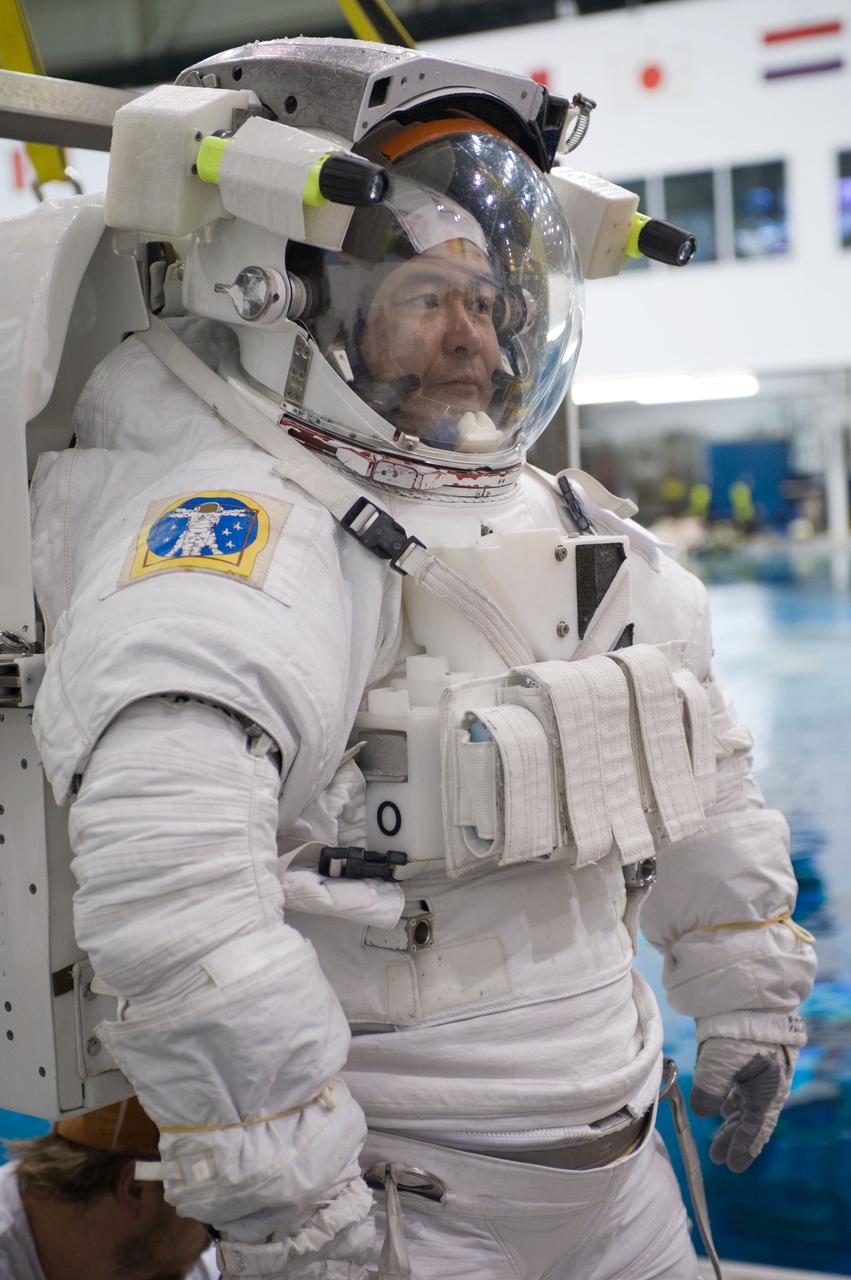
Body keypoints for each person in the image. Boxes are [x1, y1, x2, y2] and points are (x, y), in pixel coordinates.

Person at [27, 39, 815, 1279]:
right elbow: (172, 883)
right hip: (404, 1202)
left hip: (621, 1179)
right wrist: (291, 1191)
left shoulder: (567, 524)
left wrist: (747, 990)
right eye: (425, 298)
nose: (474, 338)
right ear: (280, 297)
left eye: (489, 300)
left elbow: (700, 759)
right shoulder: (247, 536)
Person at [0, 1098, 216, 1280]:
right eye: (208, 1191)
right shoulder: (164, 1256)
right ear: (135, 1190)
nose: (218, 1229)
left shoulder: (167, 1252)